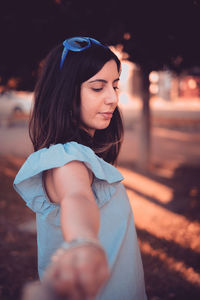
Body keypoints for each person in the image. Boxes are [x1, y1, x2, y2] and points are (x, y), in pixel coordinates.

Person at [13, 36, 147, 300]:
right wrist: (83, 243)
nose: (112, 98)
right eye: (98, 87)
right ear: (66, 92)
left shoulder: (81, 155)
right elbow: (77, 197)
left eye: (115, 85)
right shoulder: (67, 159)